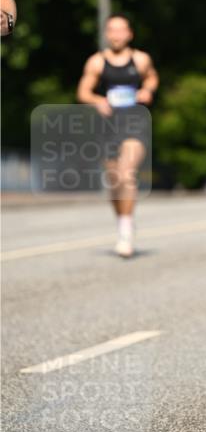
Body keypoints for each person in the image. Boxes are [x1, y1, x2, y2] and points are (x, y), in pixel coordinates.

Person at [77, 15, 158, 257]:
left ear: (129, 34)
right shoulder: (96, 62)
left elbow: (152, 78)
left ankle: (125, 232)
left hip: (135, 124)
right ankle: (124, 221)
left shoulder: (141, 59)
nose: (117, 35)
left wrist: (147, 90)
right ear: (106, 34)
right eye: (112, 30)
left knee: (126, 173)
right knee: (115, 182)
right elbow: (83, 92)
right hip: (109, 127)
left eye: (121, 30)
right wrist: (97, 101)